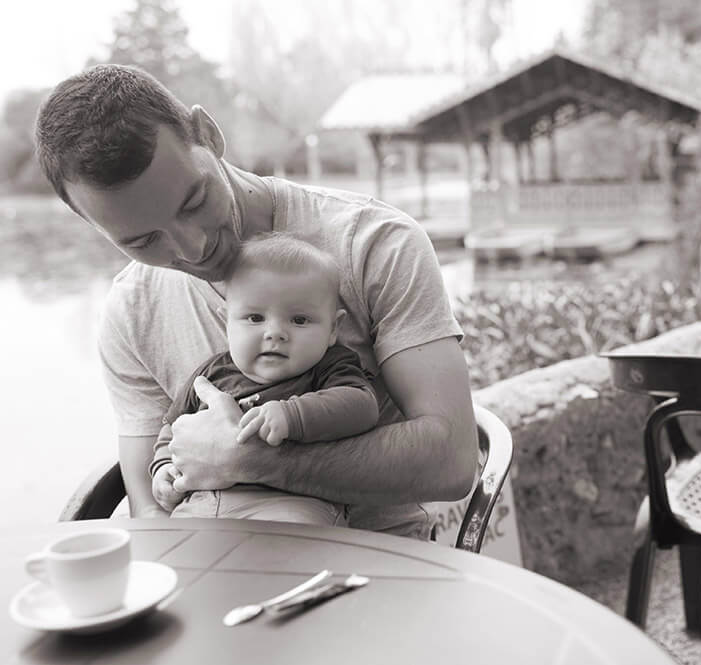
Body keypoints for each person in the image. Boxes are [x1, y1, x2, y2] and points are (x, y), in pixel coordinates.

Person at [34, 64, 478, 539]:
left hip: (378, 572)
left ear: (208, 134)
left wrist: (253, 459)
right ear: (95, 227)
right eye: (142, 241)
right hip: (214, 574)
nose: (192, 248)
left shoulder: (374, 245)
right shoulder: (131, 312)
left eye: (193, 202)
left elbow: (451, 462)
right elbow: (149, 508)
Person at [151, 232, 379, 524]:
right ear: (227, 321)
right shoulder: (210, 375)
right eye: (255, 318)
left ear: (333, 329)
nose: (275, 333)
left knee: (296, 542)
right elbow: (174, 427)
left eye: (299, 320)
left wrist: (291, 413)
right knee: (178, 548)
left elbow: (362, 405)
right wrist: (164, 468)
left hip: (294, 501)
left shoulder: (328, 367)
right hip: (206, 501)